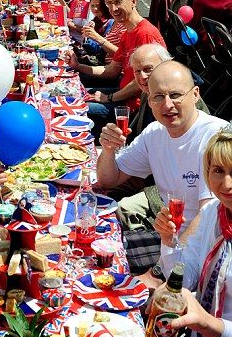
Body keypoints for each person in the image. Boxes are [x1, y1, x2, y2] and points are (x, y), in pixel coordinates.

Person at [97, 61, 227, 274]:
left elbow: (208, 218)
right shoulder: (155, 133)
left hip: (203, 254)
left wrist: (160, 272)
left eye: (175, 95)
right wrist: (108, 149)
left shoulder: (215, 137)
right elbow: (108, 180)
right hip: (169, 241)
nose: (167, 105)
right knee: (99, 253)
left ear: (195, 94)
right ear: (149, 101)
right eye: (158, 96)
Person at [152, 128, 232, 337]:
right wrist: (169, 241)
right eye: (218, 171)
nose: (226, 184)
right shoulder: (215, 211)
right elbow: (188, 274)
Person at [67, 0, 166, 133]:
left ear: (133, 1)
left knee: (72, 110)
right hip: (121, 94)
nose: (113, 9)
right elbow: (111, 70)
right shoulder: (128, 31)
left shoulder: (146, 34)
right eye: (109, 4)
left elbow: (142, 82)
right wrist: (78, 66)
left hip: (132, 108)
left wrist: (110, 97)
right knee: (71, 97)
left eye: (118, 2)